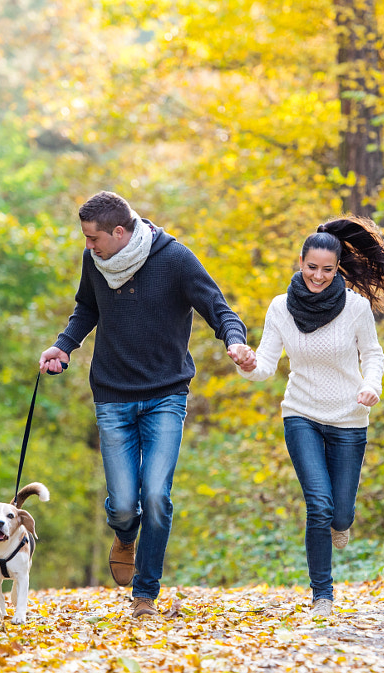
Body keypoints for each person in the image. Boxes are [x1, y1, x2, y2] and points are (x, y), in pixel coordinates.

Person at [39, 191, 253, 618]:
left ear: (120, 232)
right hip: (113, 396)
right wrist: (63, 346)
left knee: (156, 495)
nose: (88, 246)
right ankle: (124, 534)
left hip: (165, 396)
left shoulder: (173, 258)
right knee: (122, 505)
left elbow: (217, 307)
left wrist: (235, 340)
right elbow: (86, 308)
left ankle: (145, 594)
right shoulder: (95, 263)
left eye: (93, 238)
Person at [237, 215, 384, 617]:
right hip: (302, 414)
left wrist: (372, 385)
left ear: (337, 268)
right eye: (311, 267)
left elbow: (374, 354)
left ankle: (338, 524)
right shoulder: (280, 308)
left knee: (341, 513)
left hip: (349, 416)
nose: (318, 275)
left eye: (327, 270)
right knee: (319, 504)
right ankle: (322, 596)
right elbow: (264, 365)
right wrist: (246, 362)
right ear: (300, 262)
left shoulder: (355, 306)